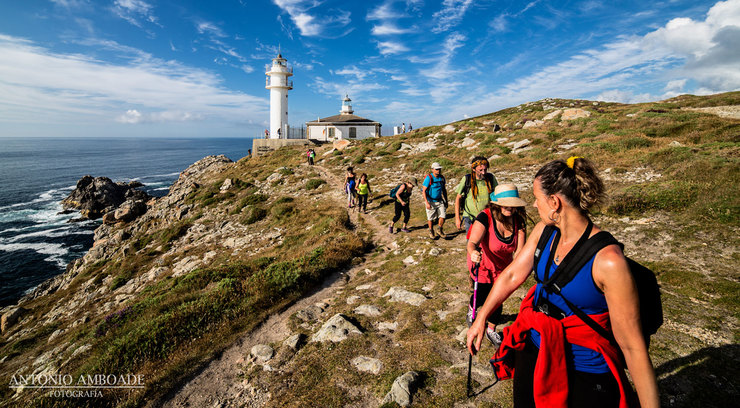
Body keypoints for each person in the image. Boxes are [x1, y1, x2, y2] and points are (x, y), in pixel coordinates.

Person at [467, 157, 659, 408]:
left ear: (554, 202)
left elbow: (634, 349)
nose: (534, 204)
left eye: (537, 198)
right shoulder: (545, 231)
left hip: (584, 369)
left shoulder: (609, 261)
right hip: (534, 348)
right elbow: (513, 274)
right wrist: (482, 318)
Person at [466, 184, 528, 346]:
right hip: (483, 263)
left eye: (513, 204)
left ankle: (491, 330)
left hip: (503, 268)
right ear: (496, 203)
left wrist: (519, 269)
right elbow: (472, 242)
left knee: (498, 298)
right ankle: (472, 308)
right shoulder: (485, 216)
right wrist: (473, 252)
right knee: (482, 295)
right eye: (506, 203)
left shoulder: (519, 222)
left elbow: (520, 253)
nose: (510, 207)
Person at [454, 156, 498, 234]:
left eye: (485, 169)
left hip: (487, 216)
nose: (483, 172)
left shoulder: (490, 178)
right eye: (480, 170)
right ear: (473, 169)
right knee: (471, 242)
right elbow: (458, 198)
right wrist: (457, 218)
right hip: (470, 217)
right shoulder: (467, 179)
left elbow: (496, 194)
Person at [421, 162, 449, 239]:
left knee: (443, 215)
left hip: (440, 200)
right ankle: (431, 231)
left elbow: (444, 190)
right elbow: (423, 190)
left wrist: (446, 200)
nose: (438, 171)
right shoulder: (429, 178)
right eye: (436, 169)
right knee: (430, 218)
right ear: (432, 169)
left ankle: (439, 229)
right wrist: (426, 202)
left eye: (439, 169)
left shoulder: (442, 178)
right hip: (430, 201)